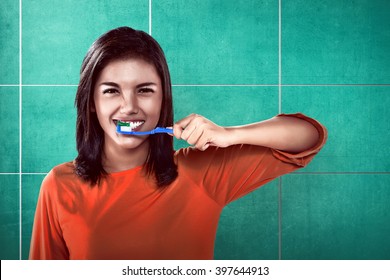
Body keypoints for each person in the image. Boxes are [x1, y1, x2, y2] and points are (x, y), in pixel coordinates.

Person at [29, 26, 327, 260]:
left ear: (163, 99)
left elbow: (307, 135)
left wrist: (229, 135)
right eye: (111, 91)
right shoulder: (58, 186)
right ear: (92, 102)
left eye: (144, 90)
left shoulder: (200, 172)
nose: (129, 107)